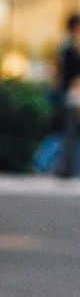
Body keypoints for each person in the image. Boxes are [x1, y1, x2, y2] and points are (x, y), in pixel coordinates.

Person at [57, 13, 80, 178]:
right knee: (70, 132)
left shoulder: (69, 46)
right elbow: (70, 74)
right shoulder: (70, 47)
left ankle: (68, 168)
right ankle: (66, 169)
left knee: (70, 131)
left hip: (72, 93)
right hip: (73, 94)